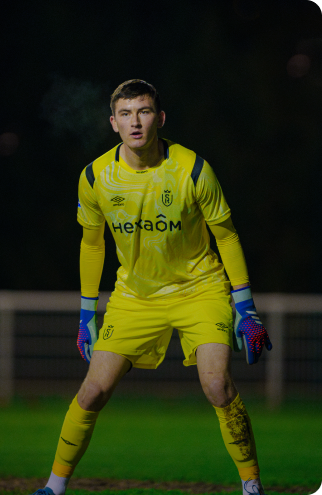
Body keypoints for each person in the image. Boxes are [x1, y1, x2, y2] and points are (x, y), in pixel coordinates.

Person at [31, 79, 272, 495]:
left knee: (217, 385)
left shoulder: (193, 169)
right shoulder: (95, 177)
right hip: (135, 296)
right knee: (92, 391)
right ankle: (53, 488)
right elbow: (93, 243)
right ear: (113, 123)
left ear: (159, 118)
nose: (135, 122)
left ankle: (252, 486)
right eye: (125, 114)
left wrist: (245, 307)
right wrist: (87, 313)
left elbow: (227, 236)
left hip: (201, 288)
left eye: (143, 112)